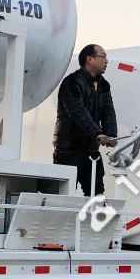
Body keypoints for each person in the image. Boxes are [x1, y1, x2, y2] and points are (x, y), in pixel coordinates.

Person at [52, 44, 118, 196]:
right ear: (90, 59)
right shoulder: (72, 82)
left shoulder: (104, 85)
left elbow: (108, 111)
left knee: (97, 196)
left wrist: (111, 134)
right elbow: (77, 112)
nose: (106, 61)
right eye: (103, 56)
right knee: (63, 197)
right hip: (68, 151)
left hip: (91, 150)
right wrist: (97, 133)